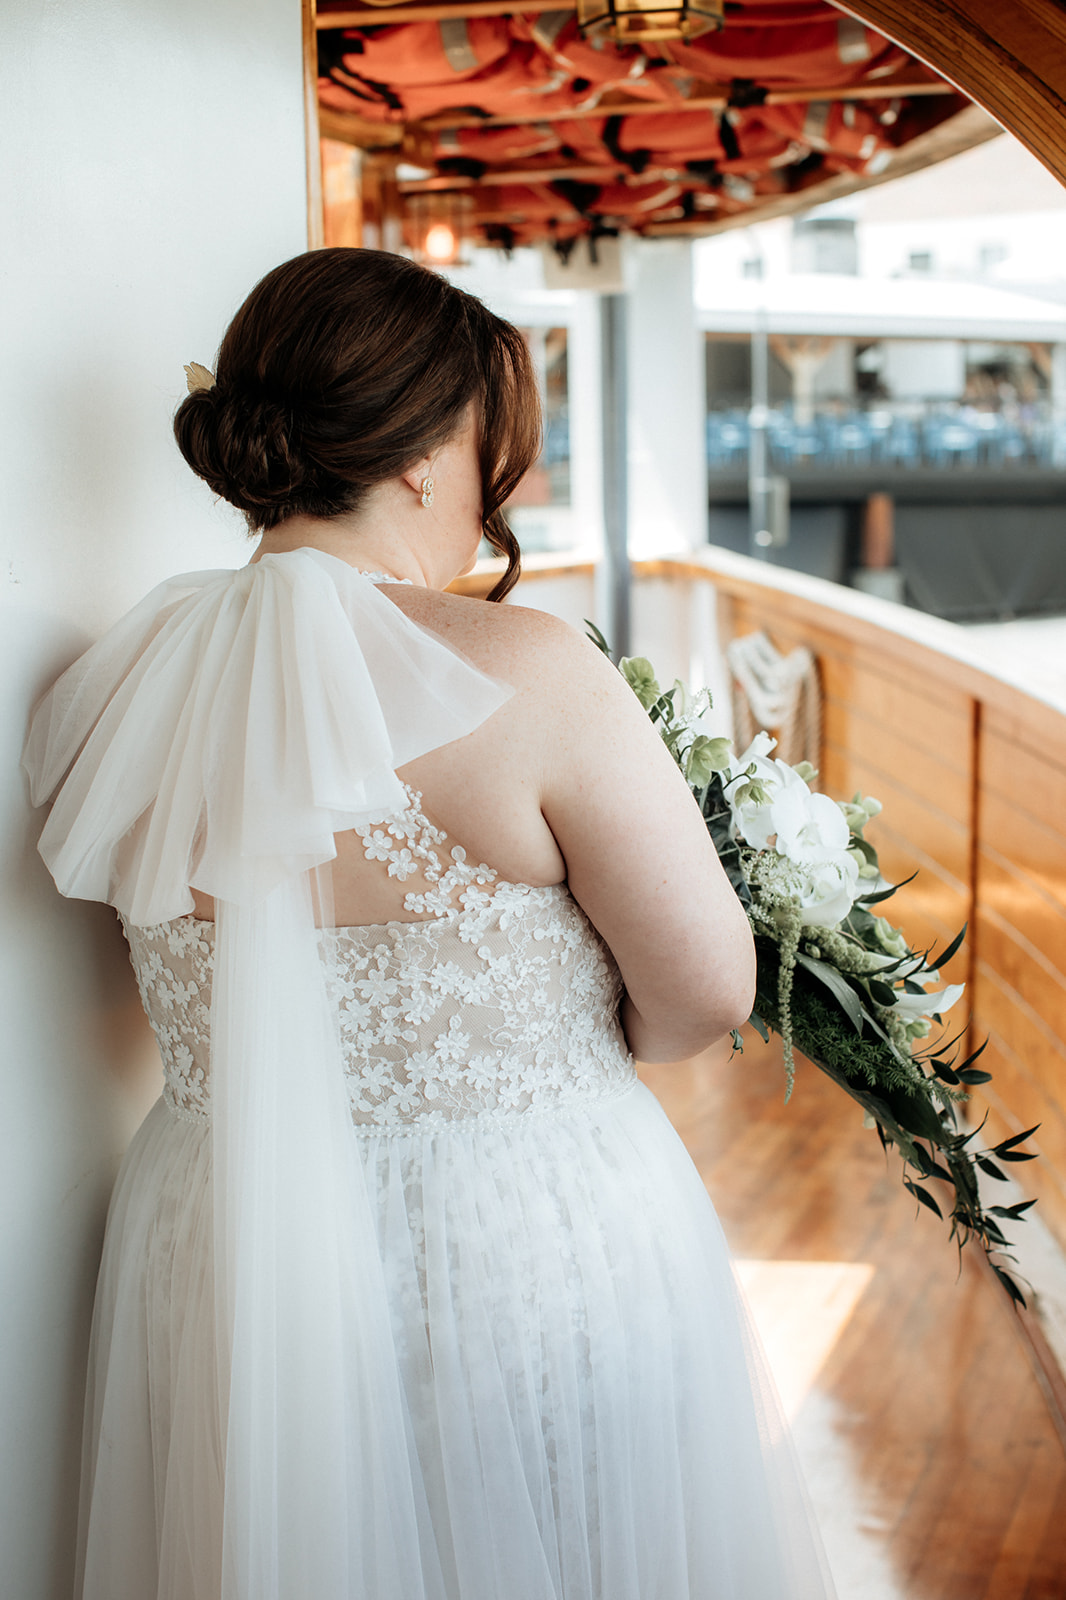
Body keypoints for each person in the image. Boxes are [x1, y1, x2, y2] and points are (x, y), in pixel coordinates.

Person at [24, 248, 834, 1600]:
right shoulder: (531, 673)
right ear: (419, 457)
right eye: (488, 446)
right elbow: (704, 990)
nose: (492, 489)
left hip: (218, 1249)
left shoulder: (112, 689)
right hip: (515, 1231)